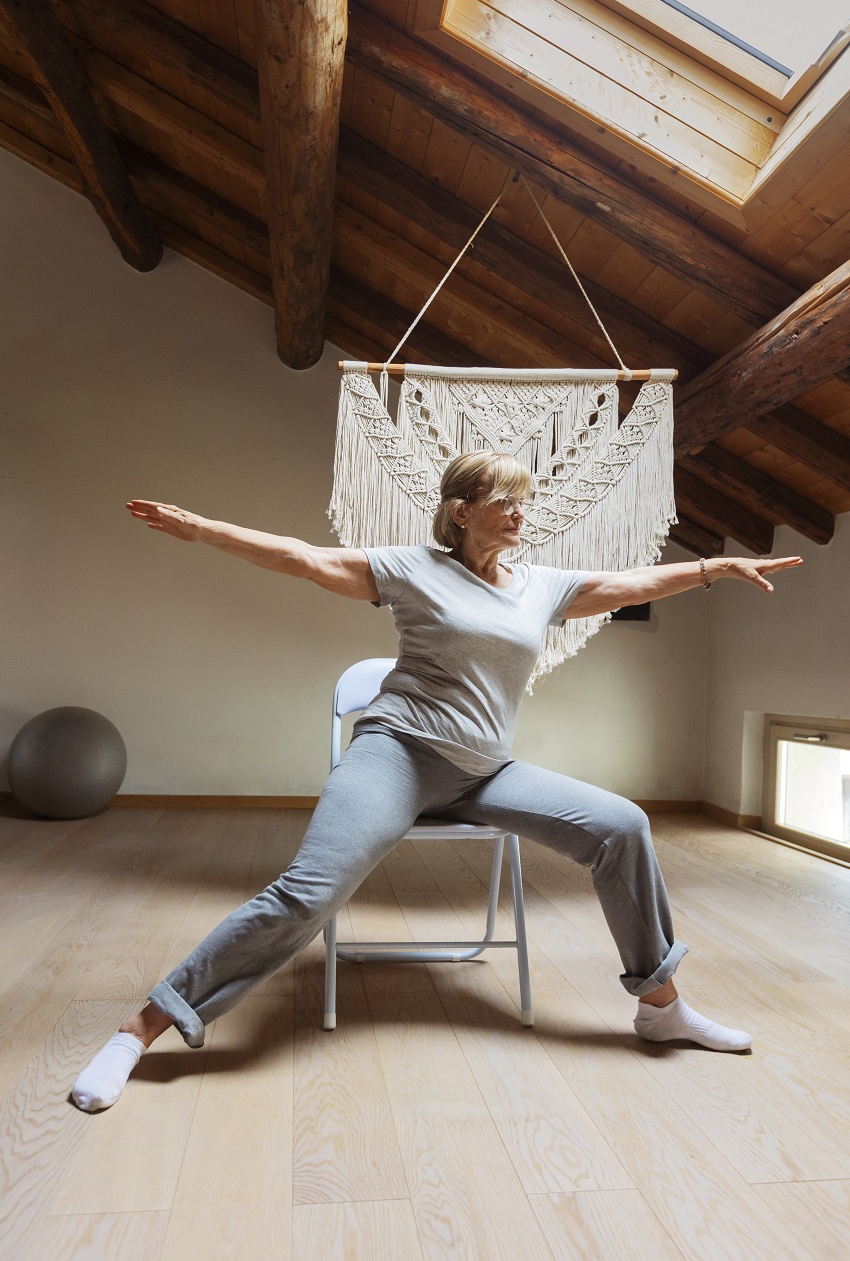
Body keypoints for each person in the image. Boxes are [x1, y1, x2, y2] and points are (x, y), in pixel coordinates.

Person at [71, 450, 802, 1112]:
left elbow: (624, 582)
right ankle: (142, 1027)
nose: (523, 513)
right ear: (462, 510)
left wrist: (712, 569)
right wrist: (203, 529)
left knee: (623, 825)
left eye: (527, 501)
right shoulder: (410, 568)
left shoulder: (538, 586)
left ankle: (661, 1005)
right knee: (309, 891)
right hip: (397, 753)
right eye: (508, 500)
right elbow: (300, 557)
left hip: (486, 770)